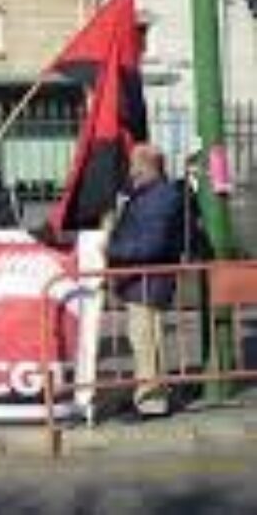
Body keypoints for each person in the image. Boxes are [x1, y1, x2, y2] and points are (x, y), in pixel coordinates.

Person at [108, 143, 184, 418]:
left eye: (133, 165)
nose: (130, 171)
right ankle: (148, 393)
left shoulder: (161, 197)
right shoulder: (150, 193)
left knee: (146, 340)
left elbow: (151, 245)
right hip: (143, 279)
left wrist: (110, 250)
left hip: (150, 278)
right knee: (145, 339)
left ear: (145, 166)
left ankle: (152, 401)